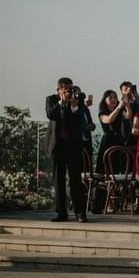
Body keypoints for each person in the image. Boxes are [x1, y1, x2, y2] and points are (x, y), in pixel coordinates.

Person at [45, 77, 88, 222]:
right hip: (57, 144)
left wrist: (75, 107)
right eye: (65, 89)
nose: (68, 91)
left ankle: (80, 212)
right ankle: (61, 212)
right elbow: (51, 115)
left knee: (75, 179)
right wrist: (61, 102)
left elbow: (82, 119)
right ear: (58, 90)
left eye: (70, 88)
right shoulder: (51, 100)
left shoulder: (77, 98)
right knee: (59, 179)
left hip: (73, 144)